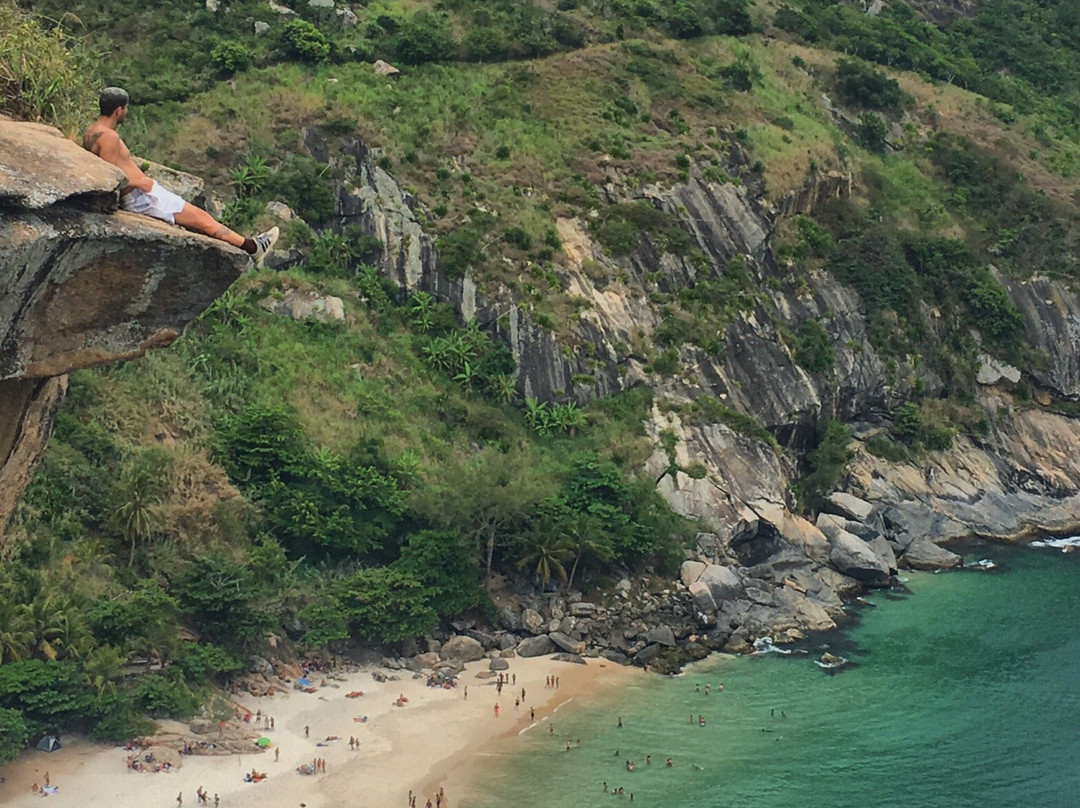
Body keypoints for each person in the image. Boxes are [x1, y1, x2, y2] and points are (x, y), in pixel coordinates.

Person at [82, 87, 278, 264]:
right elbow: (109, 177)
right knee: (203, 220)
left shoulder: (91, 131)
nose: (126, 112)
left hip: (142, 195)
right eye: (125, 109)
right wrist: (140, 182)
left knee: (199, 219)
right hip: (141, 198)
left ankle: (251, 245)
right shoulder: (109, 136)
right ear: (119, 110)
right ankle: (253, 248)